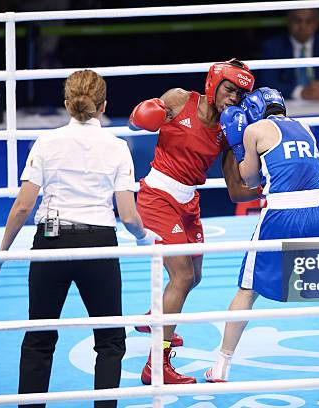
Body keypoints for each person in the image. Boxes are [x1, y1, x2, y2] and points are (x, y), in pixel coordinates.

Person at [0, 69, 160, 408]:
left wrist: (1, 251)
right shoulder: (117, 147)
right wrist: (143, 237)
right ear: (103, 104)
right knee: (110, 341)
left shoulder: (46, 142)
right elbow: (128, 215)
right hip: (98, 242)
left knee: (39, 337)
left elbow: (23, 206)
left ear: (67, 104)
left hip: (51, 240)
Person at [204, 87, 319, 382]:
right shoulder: (306, 127)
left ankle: (221, 366)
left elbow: (249, 179)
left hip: (281, 214)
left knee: (247, 290)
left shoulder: (254, 129)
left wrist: (239, 148)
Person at [128, 58, 260, 385]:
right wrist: (144, 115)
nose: (234, 98)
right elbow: (135, 123)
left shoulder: (230, 131)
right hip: (157, 194)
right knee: (182, 276)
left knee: (194, 275)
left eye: (241, 94)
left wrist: (273, 184)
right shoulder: (179, 99)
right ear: (214, 84)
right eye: (230, 89)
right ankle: (156, 364)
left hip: (188, 201)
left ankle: (155, 317)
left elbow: (236, 191)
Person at [257, 9, 319, 100]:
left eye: (308, 21)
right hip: (289, 106)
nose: (302, 26)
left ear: (317, 23)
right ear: (288, 22)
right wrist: (300, 92)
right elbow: (267, 82)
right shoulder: (273, 46)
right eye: (297, 21)